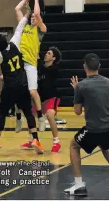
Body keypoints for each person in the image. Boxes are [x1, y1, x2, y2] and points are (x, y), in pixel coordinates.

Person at [0, 15, 44, 155]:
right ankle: (36, 139)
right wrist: (27, 14)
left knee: (2, 114)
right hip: (22, 86)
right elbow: (20, 26)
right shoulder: (15, 43)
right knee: (28, 113)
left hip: (10, 88)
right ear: (6, 40)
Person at [64, 53, 109, 196]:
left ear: (84, 66)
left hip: (93, 129)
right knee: (105, 146)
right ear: (99, 67)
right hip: (107, 128)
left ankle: (79, 185)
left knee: (73, 145)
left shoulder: (81, 86)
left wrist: (77, 91)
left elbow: (77, 111)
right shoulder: (108, 82)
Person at [15, 0, 47, 132]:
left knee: (33, 92)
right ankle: (18, 118)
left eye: (36, 17)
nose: (34, 18)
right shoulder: (24, 27)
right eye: (32, 17)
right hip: (19, 64)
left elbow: (38, 14)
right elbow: (17, 9)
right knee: (16, 91)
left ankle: (41, 118)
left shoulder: (40, 30)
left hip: (31, 64)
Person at [21, 47, 62, 153]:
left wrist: (36, 57)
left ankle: (56, 142)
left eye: (49, 53)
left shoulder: (54, 68)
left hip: (51, 98)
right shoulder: (39, 69)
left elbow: (44, 70)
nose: (46, 54)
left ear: (53, 58)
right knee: (30, 116)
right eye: (46, 52)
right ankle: (32, 140)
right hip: (40, 99)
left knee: (49, 115)